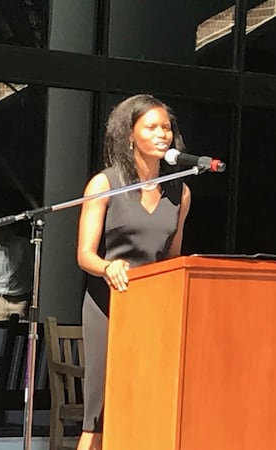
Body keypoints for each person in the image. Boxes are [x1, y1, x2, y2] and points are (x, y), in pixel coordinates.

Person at [76, 94, 191, 450]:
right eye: (152, 127)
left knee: (146, 402)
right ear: (129, 134)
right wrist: (109, 266)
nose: (163, 135)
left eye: (167, 128)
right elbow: (85, 254)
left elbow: (173, 258)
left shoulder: (180, 190)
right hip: (109, 305)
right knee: (99, 412)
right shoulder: (105, 184)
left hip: (153, 309)